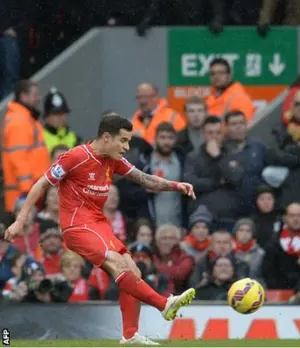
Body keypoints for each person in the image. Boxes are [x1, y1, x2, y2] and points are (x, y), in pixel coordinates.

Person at [3, 115, 198, 345]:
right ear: (106, 137)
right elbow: (41, 184)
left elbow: (145, 179)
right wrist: (20, 220)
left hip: (99, 224)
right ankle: (163, 304)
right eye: (123, 141)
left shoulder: (112, 159)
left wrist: (176, 186)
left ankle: (129, 335)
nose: (126, 147)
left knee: (133, 271)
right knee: (118, 263)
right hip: (77, 226)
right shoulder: (76, 157)